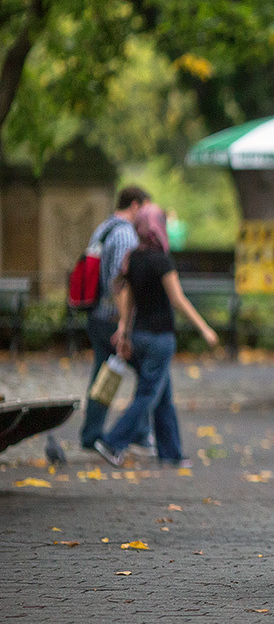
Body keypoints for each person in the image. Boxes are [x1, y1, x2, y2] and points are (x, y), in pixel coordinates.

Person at [93, 205, 219, 467]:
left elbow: (126, 300)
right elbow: (178, 299)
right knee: (148, 395)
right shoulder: (162, 261)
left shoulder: (133, 258)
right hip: (161, 338)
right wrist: (205, 329)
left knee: (163, 397)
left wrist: (125, 332)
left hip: (139, 336)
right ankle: (112, 441)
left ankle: (171, 453)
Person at [80, 185, 151, 450]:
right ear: (135, 205)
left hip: (96, 314)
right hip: (112, 318)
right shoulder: (125, 235)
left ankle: (91, 434)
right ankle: (137, 431)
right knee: (150, 374)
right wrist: (125, 324)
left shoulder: (104, 228)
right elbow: (120, 284)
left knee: (104, 373)